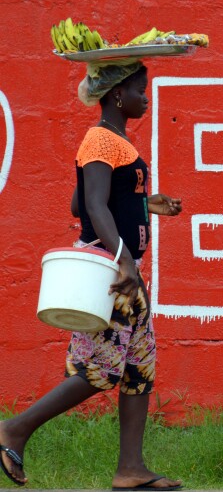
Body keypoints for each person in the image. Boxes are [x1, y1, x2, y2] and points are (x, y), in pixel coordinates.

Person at [0, 62, 184, 491]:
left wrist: (147, 204)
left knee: (139, 369)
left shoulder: (113, 142)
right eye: (142, 90)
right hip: (110, 273)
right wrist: (125, 261)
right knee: (99, 370)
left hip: (123, 273)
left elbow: (79, 203)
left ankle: (131, 470)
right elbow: (95, 209)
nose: (147, 98)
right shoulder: (101, 138)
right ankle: (13, 429)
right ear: (118, 96)